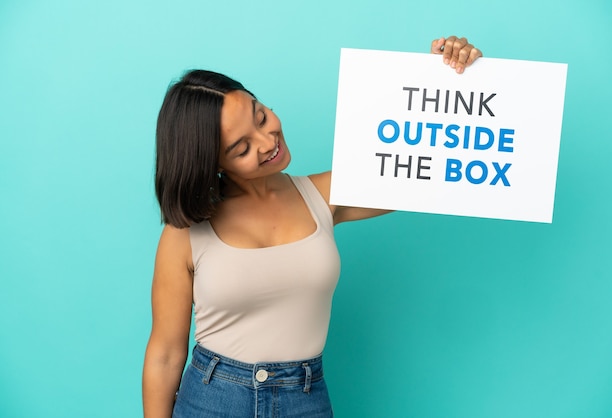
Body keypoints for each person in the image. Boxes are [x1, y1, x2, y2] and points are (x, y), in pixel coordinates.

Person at [142, 35, 482, 418]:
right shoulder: (186, 232)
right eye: (241, 148)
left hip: (304, 400)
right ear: (214, 163)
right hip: (212, 400)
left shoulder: (324, 195)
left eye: (260, 115)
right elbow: (166, 354)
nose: (267, 139)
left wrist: (449, 77)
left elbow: (431, 174)